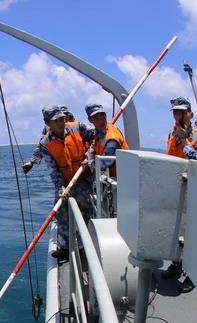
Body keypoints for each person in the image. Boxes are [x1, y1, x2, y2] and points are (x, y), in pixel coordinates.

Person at [22, 105, 94, 260]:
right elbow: (53, 170)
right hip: (66, 181)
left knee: (86, 212)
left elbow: (97, 137)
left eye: (62, 118)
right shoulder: (46, 143)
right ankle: (66, 248)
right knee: (61, 212)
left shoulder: (78, 128)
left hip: (85, 179)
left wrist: (90, 154)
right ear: (47, 123)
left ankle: (86, 248)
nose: (61, 122)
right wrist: (61, 188)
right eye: (56, 120)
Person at [163, 97, 197, 283]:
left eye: (182, 112)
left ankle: (193, 274)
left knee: (196, 234)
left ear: (190, 114)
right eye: (176, 112)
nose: (178, 116)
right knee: (178, 228)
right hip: (178, 188)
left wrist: (185, 141)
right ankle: (177, 264)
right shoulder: (172, 133)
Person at [85, 103, 128, 178]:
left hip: (122, 178)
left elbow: (104, 164)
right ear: (90, 120)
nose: (101, 120)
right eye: (96, 118)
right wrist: (90, 154)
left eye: (102, 116)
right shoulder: (100, 131)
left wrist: (89, 162)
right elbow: (95, 145)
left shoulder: (112, 138)